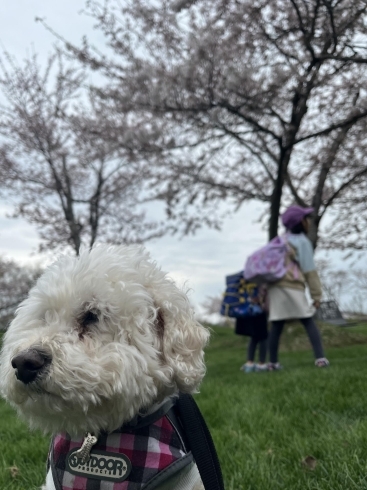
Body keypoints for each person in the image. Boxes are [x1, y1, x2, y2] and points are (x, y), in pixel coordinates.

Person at [267, 205, 329, 370]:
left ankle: (272, 363)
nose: (308, 221)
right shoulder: (302, 241)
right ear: (301, 222)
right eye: (306, 219)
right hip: (293, 286)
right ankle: (320, 359)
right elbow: (310, 271)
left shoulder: (278, 241)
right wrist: (316, 296)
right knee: (308, 320)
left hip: (274, 288)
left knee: (277, 324)